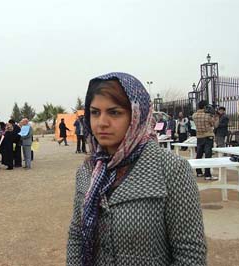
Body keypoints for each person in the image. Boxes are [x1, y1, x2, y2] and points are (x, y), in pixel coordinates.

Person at [66, 72, 206, 265]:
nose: (101, 123)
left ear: (137, 115)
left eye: (114, 112)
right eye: (95, 112)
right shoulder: (88, 170)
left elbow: (190, 254)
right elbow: (76, 237)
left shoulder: (171, 170)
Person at [193, 100, 216, 180]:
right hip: (208, 136)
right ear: (205, 106)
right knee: (208, 155)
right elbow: (214, 124)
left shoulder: (194, 115)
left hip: (199, 136)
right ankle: (207, 174)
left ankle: (198, 172)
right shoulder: (207, 115)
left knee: (199, 154)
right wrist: (214, 115)